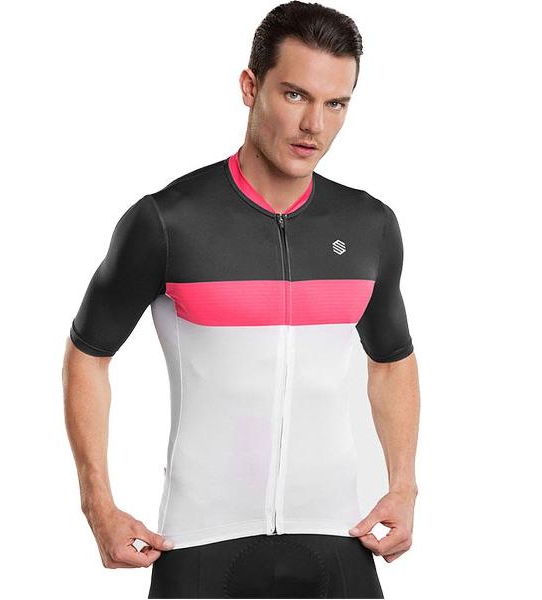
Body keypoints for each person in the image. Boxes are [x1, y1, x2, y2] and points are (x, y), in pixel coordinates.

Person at [62, 2, 420, 598]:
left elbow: (392, 361)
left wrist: (404, 485)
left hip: (340, 538)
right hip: (201, 545)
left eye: (336, 103)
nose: (315, 125)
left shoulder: (369, 226)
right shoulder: (167, 222)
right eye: (295, 95)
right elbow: (88, 355)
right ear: (250, 87)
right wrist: (97, 502)